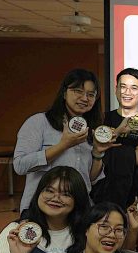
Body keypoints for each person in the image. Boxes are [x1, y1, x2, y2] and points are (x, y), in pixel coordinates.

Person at [13, 68, 106, 211]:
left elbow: (91, 179)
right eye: (78, 91)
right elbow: (20, 166)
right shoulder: (39, 122)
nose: (85, 98)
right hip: (42, 208)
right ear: (64, 93)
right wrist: (63, 145)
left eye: (91, 94)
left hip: (79, 209)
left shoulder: (91, 130)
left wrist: (98, 153)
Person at [92, 68, 138, 209]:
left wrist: (106, 145)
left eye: (134, 88)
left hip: (132, 192)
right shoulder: (100, 119)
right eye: (123, 87)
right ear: (116, 90)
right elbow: (90, 153)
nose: (127, 92)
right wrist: (118, 131)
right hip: (98, 190)